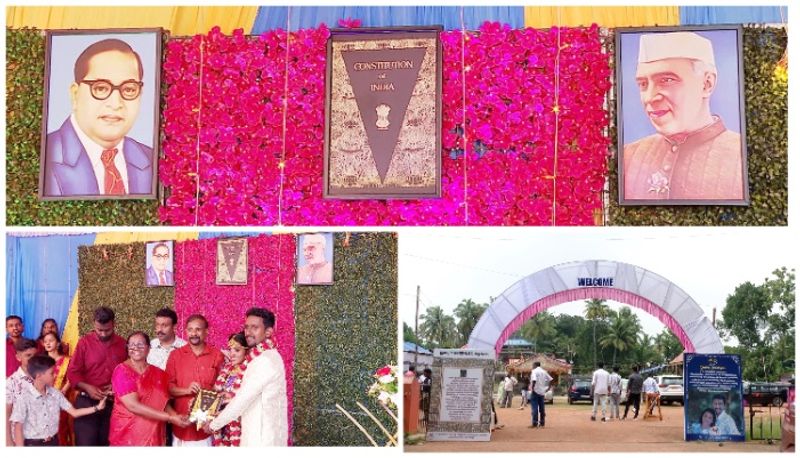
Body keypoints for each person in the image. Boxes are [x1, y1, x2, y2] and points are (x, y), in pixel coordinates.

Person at [623, 31, 743, 201]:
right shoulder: (628, 156)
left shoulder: (742, 155)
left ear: (706, 84)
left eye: (667, 80)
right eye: (643, 84)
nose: (649, 97)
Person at [43, 38, 153, 197]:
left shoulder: (153, 160)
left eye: (129, 89)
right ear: (75, 94)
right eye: (101, 88)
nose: (116, 103)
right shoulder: (45, 155)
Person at [204, 308, 288, 446]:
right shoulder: (257, 359)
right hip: (255, 434)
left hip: (262, 439)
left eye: (254, 327)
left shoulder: (265, 360)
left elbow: (242, 399)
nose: (248, 332)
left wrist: (214, 424)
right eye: (246, 327)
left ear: (268, 332)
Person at [109, 332, 189, 446]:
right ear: (127, 348)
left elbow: (163, 402)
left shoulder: (159, 374)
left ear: (149, 348)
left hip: (153, 433)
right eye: (131, 344)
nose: (135, 348)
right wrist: (169, 417)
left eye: (140, 344)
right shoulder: (121, 371)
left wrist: (176, 416)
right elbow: (133, 406)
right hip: (127, 434)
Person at [10, 355, 108, 446]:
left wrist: (97, 407)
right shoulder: (23, 396)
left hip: (53, 442)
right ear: (39, 376)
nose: (55, 376)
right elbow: (18, 427)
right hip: (33, 444)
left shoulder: (55, 394)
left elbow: (74, 412)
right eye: (52, 373)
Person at [67, 306, 128, 446]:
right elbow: (72, 372)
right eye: (99, 330)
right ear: (94, 323)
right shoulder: (84, 343)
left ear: (114, 324)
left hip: (113, 404)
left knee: (108, 444)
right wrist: (87, 387)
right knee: (86, 445)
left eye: (107, 330)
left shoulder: (122, 344)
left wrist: (117, 384)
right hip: (86, 403)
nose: (103, 334)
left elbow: (127, 372)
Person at [166, 314, 224, 446]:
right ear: (185, 331)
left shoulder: (217, 355)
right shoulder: (175, 355)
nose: (194, 333)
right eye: (190, 329)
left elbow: (222, 390)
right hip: (181, 426)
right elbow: (168, 387)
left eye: (198, 329)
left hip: (206, 429)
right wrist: (186, 390)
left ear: (206, 331)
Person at [212, 333, 248, 447]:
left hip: (244, 429)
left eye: (237, 350)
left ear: (247, 352)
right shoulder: (227, 370)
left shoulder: (251, 373)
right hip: (226, 429)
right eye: (230, 350)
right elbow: (216, 393)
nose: (232, 354)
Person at [41, 331, 74, 445]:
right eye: (45, 341)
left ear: (58, 343)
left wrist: (63, 390)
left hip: (62, 401)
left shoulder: (67, 360)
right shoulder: (42, 362)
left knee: (61, 431)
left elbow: (72, 378)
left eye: (51, 340)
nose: (48, 343)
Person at [6, 338, 38, 446]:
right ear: (18, 357)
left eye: (35, 355)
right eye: (28, 355)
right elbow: (6, 414)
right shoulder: (11, 382)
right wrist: (8, 442)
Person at [528, 362, 552, 428]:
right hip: (542, 392)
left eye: (533, 365)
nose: (532, 366)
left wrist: (532, 388)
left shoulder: (534, 371)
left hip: (535, 391)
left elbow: (534, 380)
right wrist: (549, 387)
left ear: (535, 365)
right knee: (542, 408)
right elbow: (550, 379)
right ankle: (542, 423)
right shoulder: (544, 371)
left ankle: (535, 423)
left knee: (534, 408)